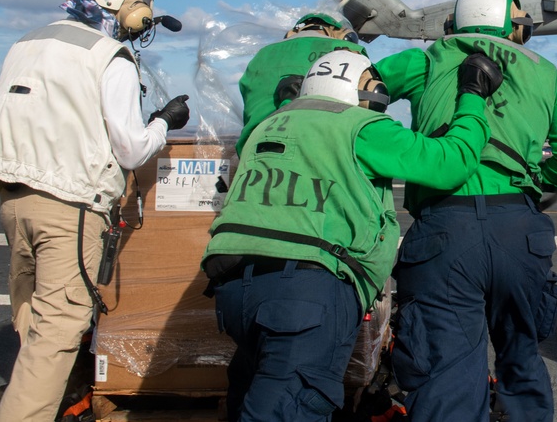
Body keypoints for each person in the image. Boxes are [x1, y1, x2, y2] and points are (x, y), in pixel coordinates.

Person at [201, 48, 502, 422]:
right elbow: (448, 162)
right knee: (287, 409)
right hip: (306, 290)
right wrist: (472, 95)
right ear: (364, 93)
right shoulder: (362, 126)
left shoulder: (267, 125)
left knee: (252, 390)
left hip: (233, 287)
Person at [376, 0, 557, 422]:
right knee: (521, 353)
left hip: (444, 229)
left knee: (445, 370)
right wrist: (535, 182)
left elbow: (355, 91)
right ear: (514, 26)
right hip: (519, 230)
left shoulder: (427, 59)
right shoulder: (545, 70)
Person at [0, 0, 190, 422]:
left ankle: (37, 398)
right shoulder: (109, 54)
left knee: (32, 317)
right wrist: (164, 123)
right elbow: (131, 149)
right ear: (130, 10)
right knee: (58, 331)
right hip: (69, 204)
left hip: (14, 199)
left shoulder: (28, 42)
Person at [236, 12, 362, 155]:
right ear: (345, 35)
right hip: (321, 154)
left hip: (253, 152)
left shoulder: (261, 55)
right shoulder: (348, 52)